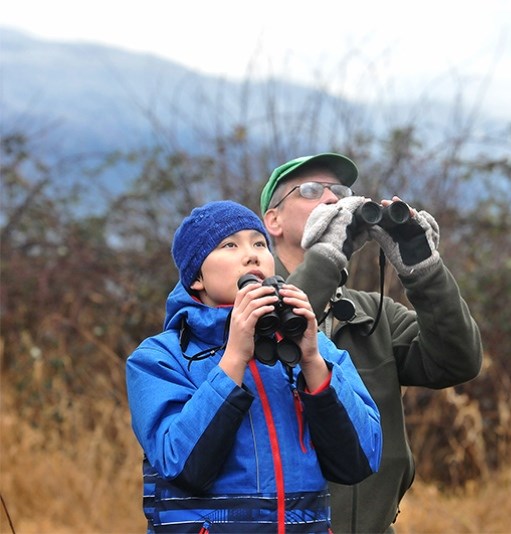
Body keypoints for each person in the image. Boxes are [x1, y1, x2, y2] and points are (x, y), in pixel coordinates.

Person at [126, 200, 382, 533]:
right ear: (196, 278)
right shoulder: (161, 357)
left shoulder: (317, 348)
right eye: (229, 245)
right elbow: (181, 464)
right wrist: (234, 357)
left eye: (259, 243)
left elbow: (360, 461)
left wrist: (313, 361)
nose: (251, 255)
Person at [260, 154, 483, 533]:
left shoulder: (373, 314)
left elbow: (457, 361)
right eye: (311, 191)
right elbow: (272, 340)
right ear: (273, 220)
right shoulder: (247, 304)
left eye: (341, 192)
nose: (331, 200)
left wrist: (423, 268)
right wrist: (327, 258)